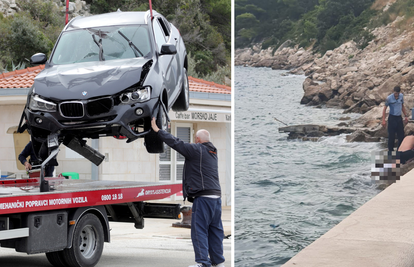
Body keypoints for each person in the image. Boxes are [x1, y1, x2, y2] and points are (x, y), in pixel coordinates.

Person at [151, 118, 225, 267]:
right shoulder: (213, 151)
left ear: (197, 139)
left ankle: (203, 263)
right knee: (215, 230)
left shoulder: (196, 149)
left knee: (199, 230)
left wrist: (158, 130)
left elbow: (176, 142)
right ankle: (218, 262)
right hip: (216, 198)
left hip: (203, 198)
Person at [382, 85, 409, 152]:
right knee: (391, 137)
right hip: (392, 118)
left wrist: (406, 116)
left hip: (399, 118)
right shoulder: (389, 98)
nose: (396, 95)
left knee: (401, 136)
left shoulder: (401, 96)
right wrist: (383, 120)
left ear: (399, 92)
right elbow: (384, 109)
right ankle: (390, 152)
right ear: (393, 92)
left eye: (397, 93)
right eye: (395, 93)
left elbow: (402, 106)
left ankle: (399, 151)